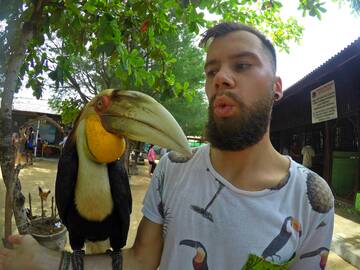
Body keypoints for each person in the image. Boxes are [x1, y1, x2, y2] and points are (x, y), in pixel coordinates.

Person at [0, 22, 334, 270]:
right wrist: (47, 261)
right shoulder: (173, 168)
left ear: (276, 86)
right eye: (211, 70)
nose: (221, 78)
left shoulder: (312, 198)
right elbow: (141, 259)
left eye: (242, 65)